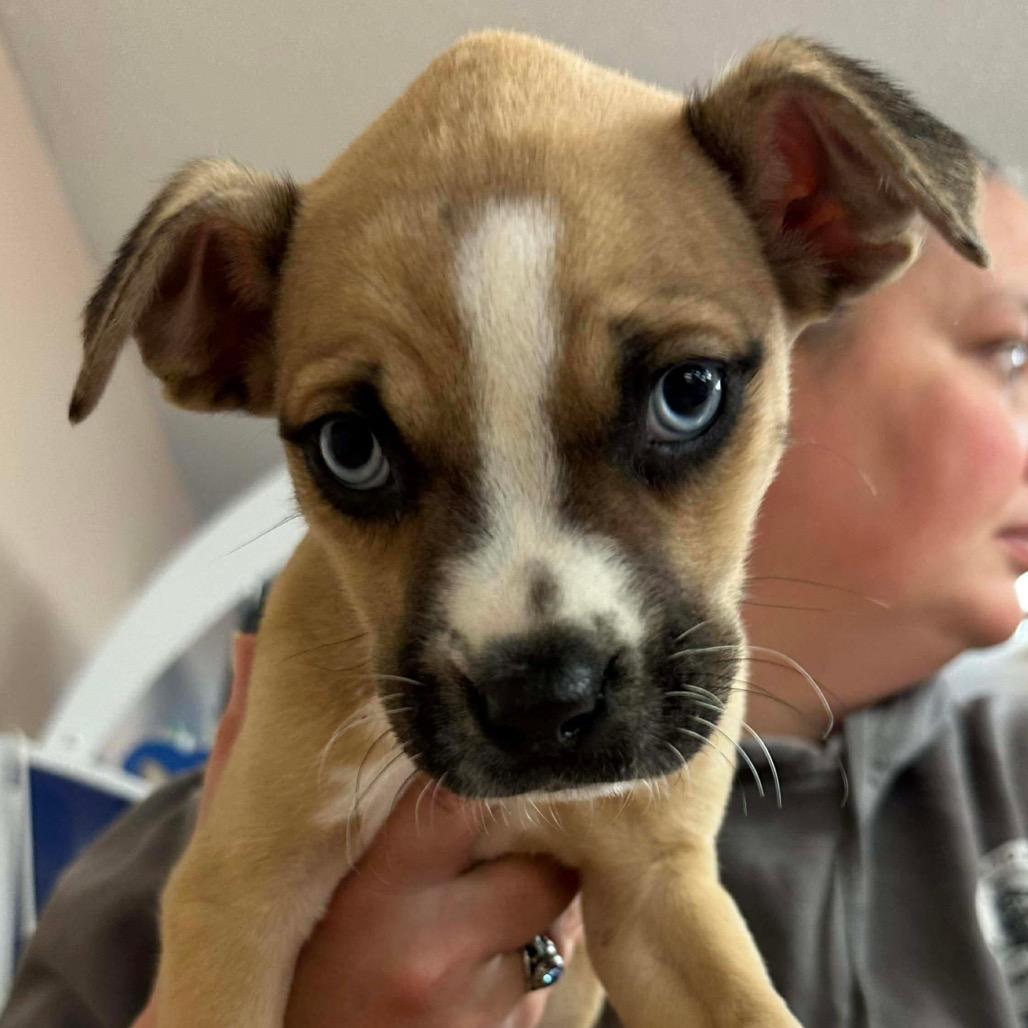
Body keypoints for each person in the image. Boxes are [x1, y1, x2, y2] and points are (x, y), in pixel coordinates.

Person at [3, 170, 1027, 1028]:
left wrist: (560, 961)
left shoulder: (1007, 772)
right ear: (788, 320)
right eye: (1009, 352)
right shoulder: (220, 822)